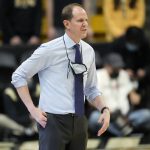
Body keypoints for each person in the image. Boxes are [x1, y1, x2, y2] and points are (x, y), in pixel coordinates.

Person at [11, 3, 110, 150]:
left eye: (86, 20)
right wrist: (32, 109)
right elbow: (18, 76)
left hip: (80, 121)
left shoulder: (89, 51)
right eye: (80, 20)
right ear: (67, 24)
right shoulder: (49, 49)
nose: (85, 24)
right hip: (53, 121)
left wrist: (104, 109)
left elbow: (91, 89)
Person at [88, 53, 134, 137]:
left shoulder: (123, 74)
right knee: (94, 118)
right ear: (107, 66)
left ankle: (124, 129)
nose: (117, 70)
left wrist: (133, 86)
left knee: (145, 115)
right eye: (115, 68)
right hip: (106, 114)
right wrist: (107, 111)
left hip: (126, 115)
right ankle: (122, 133)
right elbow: (91, 100)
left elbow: (134, 98)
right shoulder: (98, 75)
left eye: (119, 67)